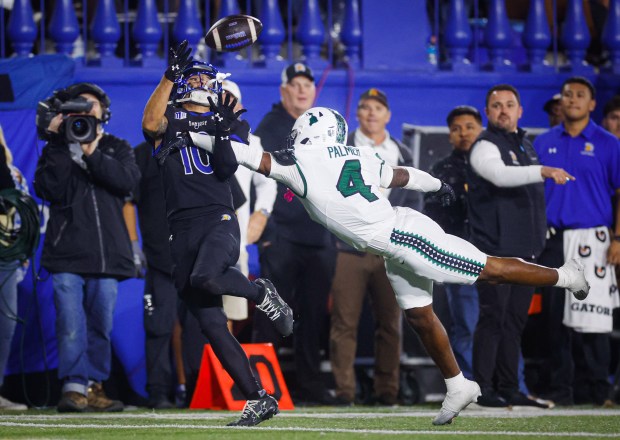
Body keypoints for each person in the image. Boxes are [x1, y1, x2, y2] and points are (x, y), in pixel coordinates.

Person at [183, 104, 590, 425]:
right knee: (420, 316)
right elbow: (400, 175)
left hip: (404, 239)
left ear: (309, 130)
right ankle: (457, 385)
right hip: (396, 239)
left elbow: (246, 156)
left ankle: (566, 276)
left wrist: (190, 133)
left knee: (491, 270)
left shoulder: (300, 164)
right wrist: (438, 185)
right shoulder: (356, 153)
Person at [141, 40, 293, 426]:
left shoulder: (228, 121)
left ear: (216, 85)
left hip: (217, 219)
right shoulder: (169, 117)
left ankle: (262, 292)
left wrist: (225, 132)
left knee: (207, 276)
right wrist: (167, 75)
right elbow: (149, 124)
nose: (196, 79)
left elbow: (226, 169)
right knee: (211, 325)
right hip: (180, 229)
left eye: (202, 76)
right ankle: (258, 398)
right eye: (190, 75)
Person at [466, 84, 573, 410]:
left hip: (526, 251)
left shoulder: (525, 145)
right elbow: (498, 175)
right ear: (488, 112)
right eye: (496, 105)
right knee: (493, 318)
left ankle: (510, 387)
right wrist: (542, 170)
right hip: (495, 251)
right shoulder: (484, 145)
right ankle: (483, 389)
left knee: (514, 323)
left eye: (509, 104)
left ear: (520, 110)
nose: (503, 110)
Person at [34, 82, 138, 413]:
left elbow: (127, 182)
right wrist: (56, 142)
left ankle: (93, 386)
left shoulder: (118, 147)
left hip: (107, 255)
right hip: (66, 253)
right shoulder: (56, 148)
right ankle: (73, 387)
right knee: (69, 322)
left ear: (102, 112)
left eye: (90, 105)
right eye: (78, 106)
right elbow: (49, 188)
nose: (85, 111)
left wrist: (92, 150)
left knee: (101, 325)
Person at [251, 62, 337, 405]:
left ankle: (311, 385)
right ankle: (263, 386)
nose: (302, 90)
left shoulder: (323, 128)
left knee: (315, 316)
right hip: (282, 238)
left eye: (307, 84)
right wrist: (268, 232)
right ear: (283, 90)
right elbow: (262, 180)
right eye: (295, 84)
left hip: (318, 238)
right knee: (272, 312)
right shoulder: (270, 128)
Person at [534, 76, 620, 407]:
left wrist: (618, 238)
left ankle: (597, 390)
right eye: (568, 94)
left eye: (580, 95)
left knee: (594, 318)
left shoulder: (608, 143)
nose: (572, 99)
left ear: (592, 104)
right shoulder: (543, 143)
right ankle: (559, 389)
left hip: (595, 240)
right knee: (555, 319)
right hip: (553, 240)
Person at [329, 88, 418, 406]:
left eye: (377, 108)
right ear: (357, 114)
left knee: (391, 323)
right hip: (349, 248)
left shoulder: (403, 152)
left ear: (388, 115)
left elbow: (415, 198)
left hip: (390, 250)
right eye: (365, 107)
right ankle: (344, 391)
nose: (371, 113)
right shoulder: (340, 148)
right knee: (344, 321)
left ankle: (387, 391)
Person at [423, 105, 483, 381]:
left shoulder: (495, 164)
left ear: (480, 129)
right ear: (449, 135)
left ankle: (508, 384)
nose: (463, 133)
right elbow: (433, 216)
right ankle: (470, 384)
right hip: (461, 258)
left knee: (503, 324)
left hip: (496, 253)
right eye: (457, 129)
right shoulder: (441, 170)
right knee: (466, 326)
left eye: (469, 127)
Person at [123, 139, 179, 409]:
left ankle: (198, 390)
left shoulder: (203, 148)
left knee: (203, 329)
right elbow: (128, 201)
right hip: (160, 260)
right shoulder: (143, 153)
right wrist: (134, 245)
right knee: (158, 327)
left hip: (199, 261)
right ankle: (158, 391)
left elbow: (229, 200)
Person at [220, 80, 277, 331]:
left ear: (240, 106)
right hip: (199, 238)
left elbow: (269, 182)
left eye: (230, 99)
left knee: (230, 314)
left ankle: (221, 370)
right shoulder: (194, 137)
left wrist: (261, 214)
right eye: (218, 97)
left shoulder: (252, 142)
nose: (223, 103)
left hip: (234, 241)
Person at [0, 126, 29, 411]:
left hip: (6, 257)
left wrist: (23, 248)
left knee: (5, 325)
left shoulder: (13, 173)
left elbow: (24, 211)